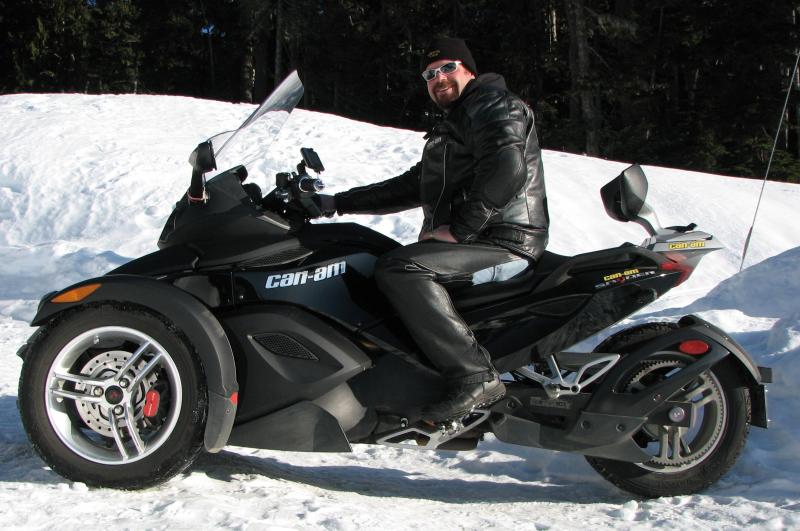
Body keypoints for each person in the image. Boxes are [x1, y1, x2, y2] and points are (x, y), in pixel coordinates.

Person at [318, 37, 549, 423]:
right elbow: (414, 184)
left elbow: (507, 169)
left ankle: (475, 375)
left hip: (505, 241)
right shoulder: (459, 120)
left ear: (469, 70)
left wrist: (460, 231)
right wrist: (336, 203)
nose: (438, 78)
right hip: (482, 239)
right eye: (429, 74)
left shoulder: (492, 104)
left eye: (447, 68)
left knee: (402, 268)